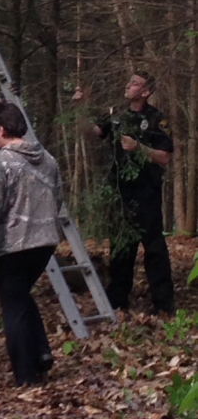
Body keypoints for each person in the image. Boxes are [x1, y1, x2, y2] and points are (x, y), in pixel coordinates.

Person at [0, 102, 61, 386]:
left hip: (12, 247)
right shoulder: (48, 159)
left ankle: (26, 374)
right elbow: (57, 199)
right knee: (20, 296)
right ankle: (42, 352)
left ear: (1, 129)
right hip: (44, 243)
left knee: (12, 306)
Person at [75, 73, 174, 315]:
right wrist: (81, 107)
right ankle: (117, 302)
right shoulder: (117, 114)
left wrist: (138, 147)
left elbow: (164, 157)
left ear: (145, 92)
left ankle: (163, 304)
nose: (128, 86)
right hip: (120, 192)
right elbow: (93, 132)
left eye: (135, 83)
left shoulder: (156, 119)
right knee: (121, 248)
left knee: (154, 249)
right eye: (129, 82)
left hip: (146, 193)